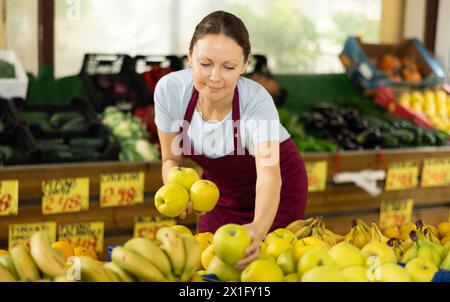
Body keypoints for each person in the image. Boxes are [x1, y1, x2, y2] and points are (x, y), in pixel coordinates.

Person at [154, 10, 308, 268]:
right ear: (190, 55)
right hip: (219, 195)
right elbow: (171, 158)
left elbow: (269, 176)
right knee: (208, 265)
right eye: (205, 64)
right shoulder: (171, 92)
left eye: (228, 67)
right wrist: (178, 191)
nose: (215, 77)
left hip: (277, 193)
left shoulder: (257, 104)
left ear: (245, 65)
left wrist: (258, 229)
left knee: (267, 269)